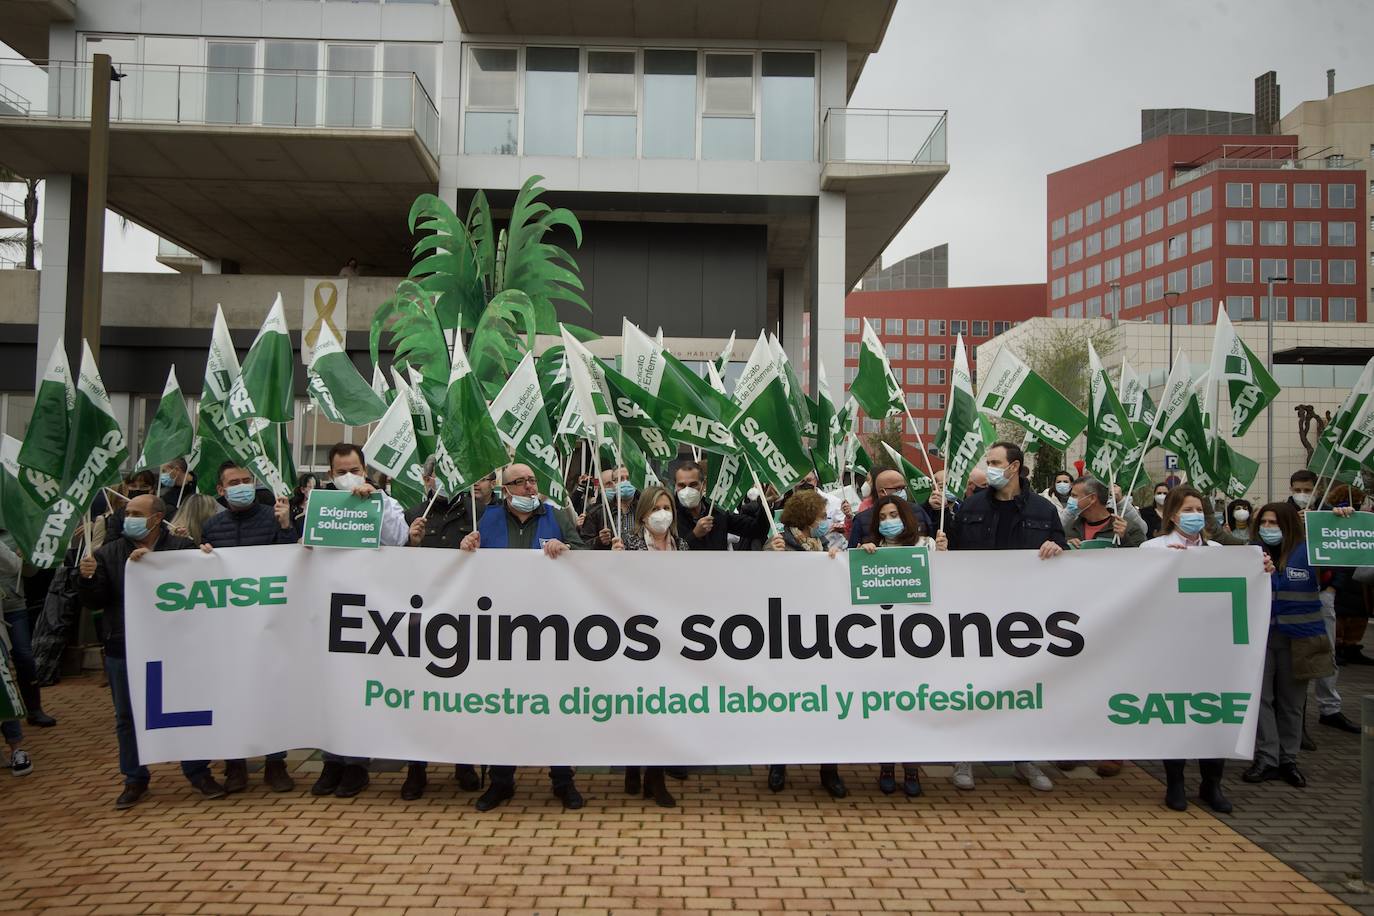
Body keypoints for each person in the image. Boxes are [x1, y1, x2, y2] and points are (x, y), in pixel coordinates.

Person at [936, 442, 1064, 794]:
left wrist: (1057, 548)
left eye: (994, 462)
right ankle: (965, 756)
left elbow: (1060, 545)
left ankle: (1025, 757)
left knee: (1020, 688)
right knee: (972, 686)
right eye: (988, 462)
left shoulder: (1043, 508)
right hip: (976, 615)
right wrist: (945, 551)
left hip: (1025, 618)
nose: (989, 468)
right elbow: (957, 554)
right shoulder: (972, 506)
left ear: (1014, 467)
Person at [460, 463, 587, 811]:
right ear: (505, 489)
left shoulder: (556, 516)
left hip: (549, 630)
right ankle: (501, 781)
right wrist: (467, 546)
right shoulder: (486, 519)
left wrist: (567, 550)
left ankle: (563, 780)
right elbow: (466, 567)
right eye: (522, 482)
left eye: (533, 480)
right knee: (504, 707)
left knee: (554, 707)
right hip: (500, 631)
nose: (531, 487)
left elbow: (586, 557)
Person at [77, 494, 211, 808]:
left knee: (186, 708)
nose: (128, 518)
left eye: (137, 513)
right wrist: (86, 578)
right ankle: (135, 779)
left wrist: (206, 558)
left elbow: (202, 584)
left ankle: (197, 771)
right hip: (123, 647)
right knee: (127, 716)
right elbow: (95, 601)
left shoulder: (181, 549)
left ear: (157, 518)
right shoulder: (109, 554)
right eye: (127, 513)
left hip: (175, 647)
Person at [1140, 485, 1268, 813]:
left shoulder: (1217, 551)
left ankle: (1212, 784)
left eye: (1199, 509)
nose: (1194, 515)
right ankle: (1176, 783)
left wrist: (1261, 568)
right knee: (1177, 714)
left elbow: (1247, 574)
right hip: (1172, 649)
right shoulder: (1151, 548)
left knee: (1213, 713)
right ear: (1171, 514)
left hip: (1214, 649)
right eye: (1187, 510)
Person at [310, 444, 426, 800]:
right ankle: (332, 761)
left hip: (373, 612)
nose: (349, 477)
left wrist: (372, 502)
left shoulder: (385, 503)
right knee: (332, 687)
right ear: (331, 475)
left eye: (355, 470)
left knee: (362, 684)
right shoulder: (318, 504)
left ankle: (357, 765)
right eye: (341, 471)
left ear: (365, 470)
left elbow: (399, 540)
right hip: (330, 607)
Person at [192, 462, 302, 795]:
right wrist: (201, 554)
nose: (243, 486)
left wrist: (285, 527)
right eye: (234, 482)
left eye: (246, 480)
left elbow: (293, 560)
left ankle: (276, 763)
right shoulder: (213, 525)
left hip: (268, 624)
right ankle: (235, 767)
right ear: (221, 490)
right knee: (230, 697)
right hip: (228, 629)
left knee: (271, 696)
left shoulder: (273, 516)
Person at [398, 459, 489, 800]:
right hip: (423, 615)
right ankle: (416, 768)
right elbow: (395, 567)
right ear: (426, 479)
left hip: (465, 615)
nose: (444, 479)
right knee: (421, 694)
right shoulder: (414, 514)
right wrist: (413, 542)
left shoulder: (476, 512)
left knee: (463, 694)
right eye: (437, 473)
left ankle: (462, 763)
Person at [1245, 502, 1340, 790]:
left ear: (1288, 524)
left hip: (1301, 638)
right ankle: (1266, 757)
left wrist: (1339, 521)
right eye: (1264, 522)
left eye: (1274, 523)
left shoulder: (1311, 551)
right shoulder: (1248, 552)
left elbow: (1346, 555)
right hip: (1261, 637)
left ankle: (1289, 759)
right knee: (1261, 700)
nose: (1268, 528)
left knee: (1292, 703)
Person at [763, 489, 847, 798]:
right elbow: (761, 578)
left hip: (820, 635)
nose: (825, 522)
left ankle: (829, 770)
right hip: (787, 634)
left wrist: (833, 562)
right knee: (785, 704)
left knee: (826, 705)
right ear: (808, 516)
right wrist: (772, 555)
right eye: (822, 516)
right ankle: (778, 765)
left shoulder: (821, 543)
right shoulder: (779, 542)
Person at [609, 486, 686, 807]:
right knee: (637, 707)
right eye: (656, 508)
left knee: (662, 709)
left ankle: (654, 779)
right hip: (636, 637)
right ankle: (632, 765)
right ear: (643, 513)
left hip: (672, 639)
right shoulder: (628, 544)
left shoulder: (681, 546)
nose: (662, 514)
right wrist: (613, 561)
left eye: (667, 507)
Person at [857, 495, 930, 797]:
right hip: (883, 642)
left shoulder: (926, 546)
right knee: (888, 709)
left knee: (915, 709)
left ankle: (912, 769)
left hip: (919, 642)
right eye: (883, 517)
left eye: (893, 514)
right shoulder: (873, 550)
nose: (888, 521)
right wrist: (861, 553)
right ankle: (886, 766)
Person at [2, 530, 51, 731]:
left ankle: (34, 708)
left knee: (24, 656)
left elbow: (30, 572)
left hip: (14, 607)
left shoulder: (15, 533)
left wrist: (27, 556)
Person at [668, 460, 769, 552]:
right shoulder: (670, 515)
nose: (687, 491)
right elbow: (668, 552)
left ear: (703, 484)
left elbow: (757, 530)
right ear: (675, 486)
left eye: (693, 485)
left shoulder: (717, 511)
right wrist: (694, 535)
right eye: (681, 485)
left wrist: (766, 503)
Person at [847, 466, 934, 549]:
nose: (902, 492)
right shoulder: (861, 519)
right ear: (882, 491)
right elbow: (851, 557)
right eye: (898, 488)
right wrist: (860, 552)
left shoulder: (918, 511)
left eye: (904, 488)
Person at [1063, 476, 1142, 548]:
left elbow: (1141, 559)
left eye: (1074, 496)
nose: (1070, 500)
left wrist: (1124, 538)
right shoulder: (1070, 528)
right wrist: (1066, 546)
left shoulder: (1128, 527)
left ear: (1092, 498)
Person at [580, 466, 637, 550]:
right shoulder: (597, 513)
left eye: (628, 479)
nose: (625, 482)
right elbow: (582, 546)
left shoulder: (644, 510)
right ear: (613, 484)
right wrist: (599, 540)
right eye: (620, 479)